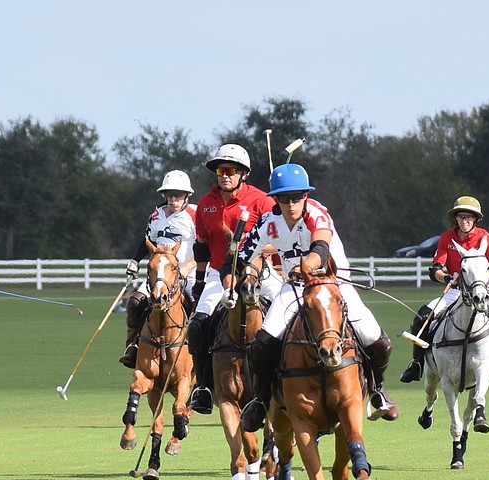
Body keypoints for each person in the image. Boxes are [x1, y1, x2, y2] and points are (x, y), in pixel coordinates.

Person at [222, 164, 399, 431]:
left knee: (377, 340)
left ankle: (377, 390)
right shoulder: (267, 224)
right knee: (262, 343)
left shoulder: (317, 214)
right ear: (276, 199)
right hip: (293, 290)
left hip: (332, 285)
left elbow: (321, 249)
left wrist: (304, 267)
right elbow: (238, 258)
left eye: (296, 197)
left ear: (306, 196)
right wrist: (230, 283)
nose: (291, 204)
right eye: (284, 198)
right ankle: (260, 399)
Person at [188, 144, 284, 414]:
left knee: (292, 313)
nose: (224, 175)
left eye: (230, 170)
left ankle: (287, 378)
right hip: (220, 275)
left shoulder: (262, 201)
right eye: (220, 170)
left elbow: (278, 243)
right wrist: (198, 281)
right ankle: (204, 387)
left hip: (259, 273)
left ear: (244, 173)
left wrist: (249, 247)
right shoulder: (205, 204)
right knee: (197, 326)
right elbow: (201, 247)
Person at [399, 196, 489, 384]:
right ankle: (417, 363)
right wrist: (446, 277)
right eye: (461, 216)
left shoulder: (484, 237)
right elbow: (435, 270)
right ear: (456, 218)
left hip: (481, 290)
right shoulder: (447, 238)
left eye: (469, 217)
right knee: (421, 317)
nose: (464, 221)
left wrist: (483, 272)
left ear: (476, 219)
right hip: (455, 291)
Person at [119, 170, 197, 368]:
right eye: (169, 194)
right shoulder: (156, 214)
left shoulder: (194, 215)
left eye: (178, 195)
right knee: (136, 302)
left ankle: (199, 351)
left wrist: (189, 265)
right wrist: (135, 261)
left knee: (197, 306)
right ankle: (132, 346)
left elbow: (204, 246)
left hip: (187, 275)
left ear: (187, 195)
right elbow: (148, 241)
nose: (173, 199)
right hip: (158, 277)